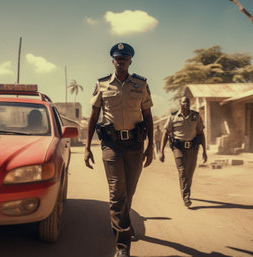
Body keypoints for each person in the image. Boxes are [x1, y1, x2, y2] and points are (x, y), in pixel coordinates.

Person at [84, 42, 154, 257]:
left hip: (135, 144)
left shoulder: (141, 85)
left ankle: (120, 223)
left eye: (124, 58)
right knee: (117, 193)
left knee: (129, 192)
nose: (121, 62)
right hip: (112, 145)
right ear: (113, 61)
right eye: (117, 58)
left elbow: (148, 116)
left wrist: (151, 146)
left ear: (130, 61)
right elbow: (93, 116)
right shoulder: (102, 84)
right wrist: (87, 147)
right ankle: (122, 246)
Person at [159, 96, 207, 208]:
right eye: (184, 102)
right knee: (183, 172)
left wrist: (204, 151)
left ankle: (186, 190)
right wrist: (161, 151)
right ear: (180, 103)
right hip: (178, 148)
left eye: (188, 102)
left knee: (189, 173)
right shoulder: (173, 117)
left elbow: (201, 133)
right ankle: (186, 197)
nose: (186, 103)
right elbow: (165, 134)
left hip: (193, 148)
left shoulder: (196, 116)